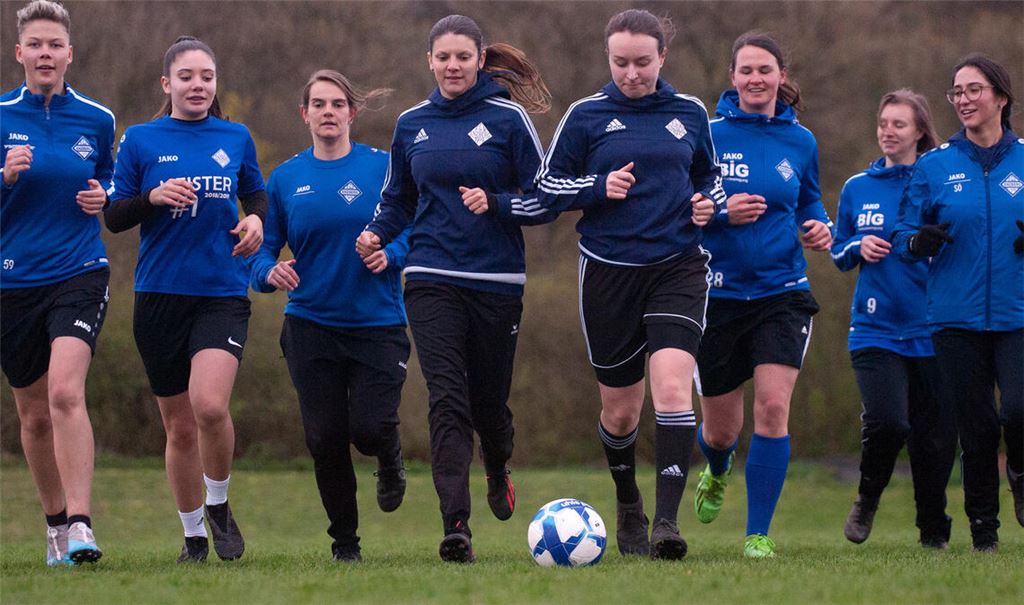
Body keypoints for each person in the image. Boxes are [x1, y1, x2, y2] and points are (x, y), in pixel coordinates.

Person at [356, 14, 552, 563]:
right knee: (447, 397)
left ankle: (497, 463)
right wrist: (375, 232)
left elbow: (545, 199)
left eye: (463, 56)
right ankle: (455, 523)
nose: (452, 66)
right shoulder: (411, 124)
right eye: (443, 57)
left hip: (496, 279)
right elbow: (397, 198)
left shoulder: (509, 120)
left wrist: (497, 203)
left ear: (480, 59)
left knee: (488, 401)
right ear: (430, 61)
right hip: (429, 275)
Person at [534, 9, 723, 559]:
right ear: (608, 59)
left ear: (663, 58)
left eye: (643, 62)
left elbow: (706, 174)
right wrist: (598, 185)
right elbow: (548, 185)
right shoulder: (586, 116)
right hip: (608, 271)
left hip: (678, 266)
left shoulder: (688, 112)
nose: (632, 73)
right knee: (620, 411)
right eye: (621, 63)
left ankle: (666, 523)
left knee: (671, 388)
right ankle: (627, 502)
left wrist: (708, 201)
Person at [104, 36, 267, 563]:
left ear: (215, 84)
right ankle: (193, 535)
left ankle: (218, 503)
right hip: (158, 296)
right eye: (188, 76)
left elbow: (255, 194)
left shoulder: (235, 136)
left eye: (207, 77)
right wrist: (151, 197)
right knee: (177, 425)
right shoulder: (140, 141)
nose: (198, 85)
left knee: (210, 406)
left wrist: (257, 219)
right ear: (167, 83)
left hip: (221, 291)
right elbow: (114, 215)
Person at [249, 69, 410, 563]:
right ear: (304, 114)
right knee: (324, 438)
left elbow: (418, 227)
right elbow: (260, 252)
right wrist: (267, 274)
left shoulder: (384, 169)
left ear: (352, 113)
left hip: (377, 323)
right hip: (310, 325)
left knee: (368, 428)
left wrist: (394, 253)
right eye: (318, 104)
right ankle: (345, 545)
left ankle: (389, 456)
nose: (328, 113)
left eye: (337, 104)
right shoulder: (286, 178)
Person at [692, 31, 834, 559]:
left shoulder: (802, 140)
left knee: (773, 409)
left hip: (782, 292)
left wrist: (819, 226)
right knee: (722, 430)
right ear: (732, 77)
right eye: (746, 70)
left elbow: (810, 201)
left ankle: (757, 535)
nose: (755, 79)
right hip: (716, 296)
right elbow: (686, 208)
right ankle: (718, 465)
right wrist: (723, 213)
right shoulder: (705, 135)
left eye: (765, 70)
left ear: (780, 76)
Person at [892, 53, 1023, 552]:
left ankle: (1021, 471)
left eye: (974, 90)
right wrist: (915, 244)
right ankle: (984, 531)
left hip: (1018, 314)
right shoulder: (934, 165)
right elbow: (904, 233)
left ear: (1001, 98)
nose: (964, 100)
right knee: (977, 428)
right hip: (954, 317)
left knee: (1019, 409)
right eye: (957, 92)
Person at [0, 0, 114, 566]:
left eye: (55, 44)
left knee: (65, 392)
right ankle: (52, 527)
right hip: (12, 283)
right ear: (19, 53)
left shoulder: (97, 119)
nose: (46, 53)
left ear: (70, 53)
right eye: (35, 45)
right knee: (34, 414)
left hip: (80, 271)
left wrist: (106, 196)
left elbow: (113, 178)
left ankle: (80, 525)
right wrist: (3, 178)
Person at [831, 90, 956, 549]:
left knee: (936, 440)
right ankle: (867, 498)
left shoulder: (940, 182)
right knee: (888, 422)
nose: (888, 131)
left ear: (920, 131)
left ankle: (933, 530)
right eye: (883, 122)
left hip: (934, 327)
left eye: (898, 124)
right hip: (874, 327)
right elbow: (837, 250)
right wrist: (856, 248)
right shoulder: (856, 187)